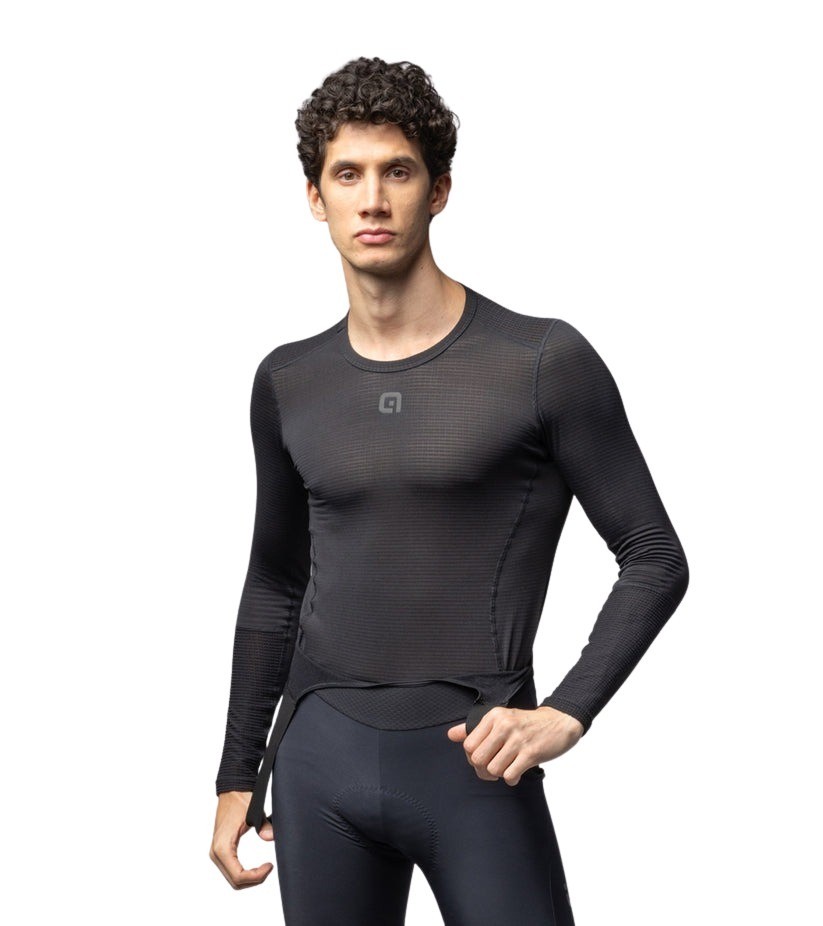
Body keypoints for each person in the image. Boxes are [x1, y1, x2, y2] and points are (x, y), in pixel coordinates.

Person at [209, 56, 689, 926]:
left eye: (397, 172)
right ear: (315, 197)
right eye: (347, 175)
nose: (372, 200)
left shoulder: (539, 361)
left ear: (438, 191)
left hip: (474, 764)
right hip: (316, 768)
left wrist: (567, 711)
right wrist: (237, 772)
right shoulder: (287, 380)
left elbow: (653, 556)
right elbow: (275, 584)